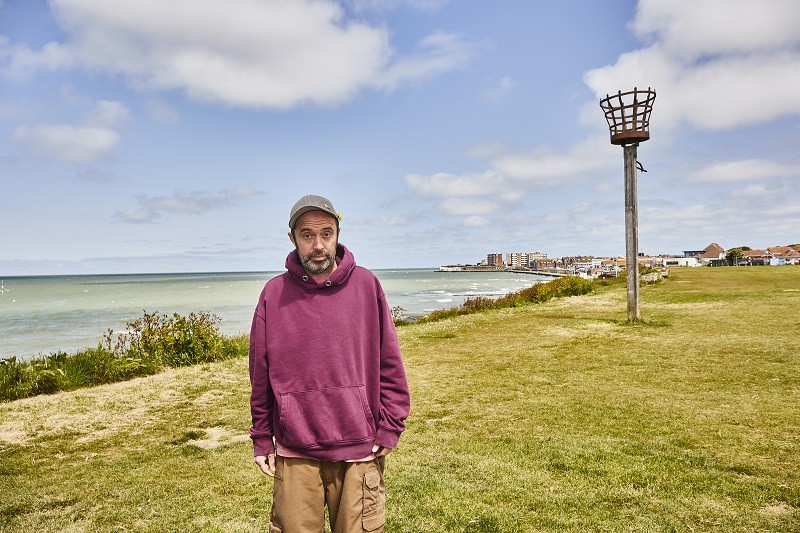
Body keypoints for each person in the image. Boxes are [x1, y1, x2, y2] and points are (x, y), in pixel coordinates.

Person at [249, 194, 411, 533]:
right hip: (295, 451)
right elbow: (260, 375)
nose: (318, 244)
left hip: (359, 449)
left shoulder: (367, 285)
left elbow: (390, 362)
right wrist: (262, 437)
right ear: (292, 238)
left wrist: (390, 425)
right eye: (307, 235)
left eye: (326, 233)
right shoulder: (273, 294)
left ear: (338, 235)